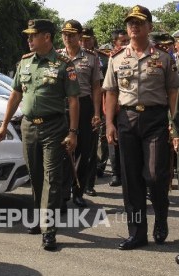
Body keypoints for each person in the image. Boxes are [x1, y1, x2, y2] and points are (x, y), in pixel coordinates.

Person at [0, 19, 80, 251]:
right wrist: (4, 125)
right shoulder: (24, 63)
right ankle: (38, 217)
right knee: (35, 176)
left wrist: (73, 132)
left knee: (52, 178)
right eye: (28, 36)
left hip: (54, 128)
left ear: (47, 37)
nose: (29, 39)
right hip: (28, 126)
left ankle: (48, 229)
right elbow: (15, 95)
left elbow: (73, 101)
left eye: (33, 35)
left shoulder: (64, 64)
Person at [103, 5, 179, 250]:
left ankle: (160, 215)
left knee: (155, 175)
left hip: (156, 119)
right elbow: (112, 93)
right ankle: (137, 233)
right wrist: (109, 124)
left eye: (139, 22)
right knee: (131, 180)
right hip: (127, 119)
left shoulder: (164, 58)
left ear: (150, 27)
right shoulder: (116, 58)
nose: (133, 26)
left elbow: (173, 92)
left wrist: (173, 124)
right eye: (130, 23)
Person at [59, 20, 102, 207]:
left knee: (84, 152)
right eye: (65, 34)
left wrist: (97, 113)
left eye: (72, 34)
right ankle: (62, 192)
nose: (68, 38)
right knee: (62, 151)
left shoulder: (91, 58)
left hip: (84, 105)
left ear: (79, 36)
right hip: (62, 106)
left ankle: (78, 191)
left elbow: (96, 87)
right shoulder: (56, 56)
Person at [80, 26, 108, 197]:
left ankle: (89, 184)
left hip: (96, 106)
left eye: (87, 39)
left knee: (91, 149)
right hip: (76, 106)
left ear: (93, 39)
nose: (84, 42)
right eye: (82, 39)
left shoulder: (103, 58)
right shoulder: (68, 56)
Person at [107, 29, 130, 187]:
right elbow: (108, 89)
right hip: (113, 107)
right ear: (115, 43)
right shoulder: (112, 58)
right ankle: (116, 173)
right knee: (114, 142)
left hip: (128, 108)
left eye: (127, 40)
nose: (126, 43)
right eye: (122, 41)